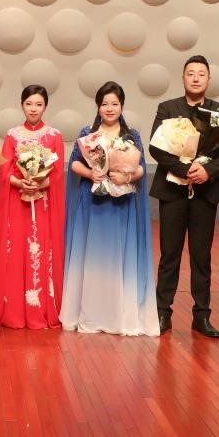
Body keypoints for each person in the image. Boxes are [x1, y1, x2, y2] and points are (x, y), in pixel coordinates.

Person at [61, 81, 158, 336]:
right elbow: (74, 164)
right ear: (98, 106)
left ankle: (119, 315)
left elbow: (140, 168)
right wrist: (91, 174)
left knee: (119, 254)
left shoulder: (131, 135)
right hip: (93, 201)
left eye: (114, 104)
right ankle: (91, 313)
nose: (110, 108)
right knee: (91, 254)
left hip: (121, 203)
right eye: (105, 104)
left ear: (122, 106)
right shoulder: (88, 133)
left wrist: (126, 177)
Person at [149, 55, 219, 338]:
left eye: (201, 74)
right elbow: (156, 148)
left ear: (209, 79)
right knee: (169, 255)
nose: (196, 78)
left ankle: (202, 316)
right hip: (172, 193)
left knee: (201, 256)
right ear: (183, 77)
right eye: (191, 73)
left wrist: (207, 171)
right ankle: (163, 312)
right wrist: (184, 170)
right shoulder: (168, 108)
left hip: (204, 193)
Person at [0, 84, 66, 329]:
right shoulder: (12, 135)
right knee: (14, 251)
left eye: (39, 104)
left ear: (45, 106)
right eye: (29, 104)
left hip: (42, 203)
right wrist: (20, 182)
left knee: (40, 251)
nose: (33, 109)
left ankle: (40, 308)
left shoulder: (55, 136)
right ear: (22, 105)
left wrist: (40, 183)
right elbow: (4, 170)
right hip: (17, 202)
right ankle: (11, 308)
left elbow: (57, 173)